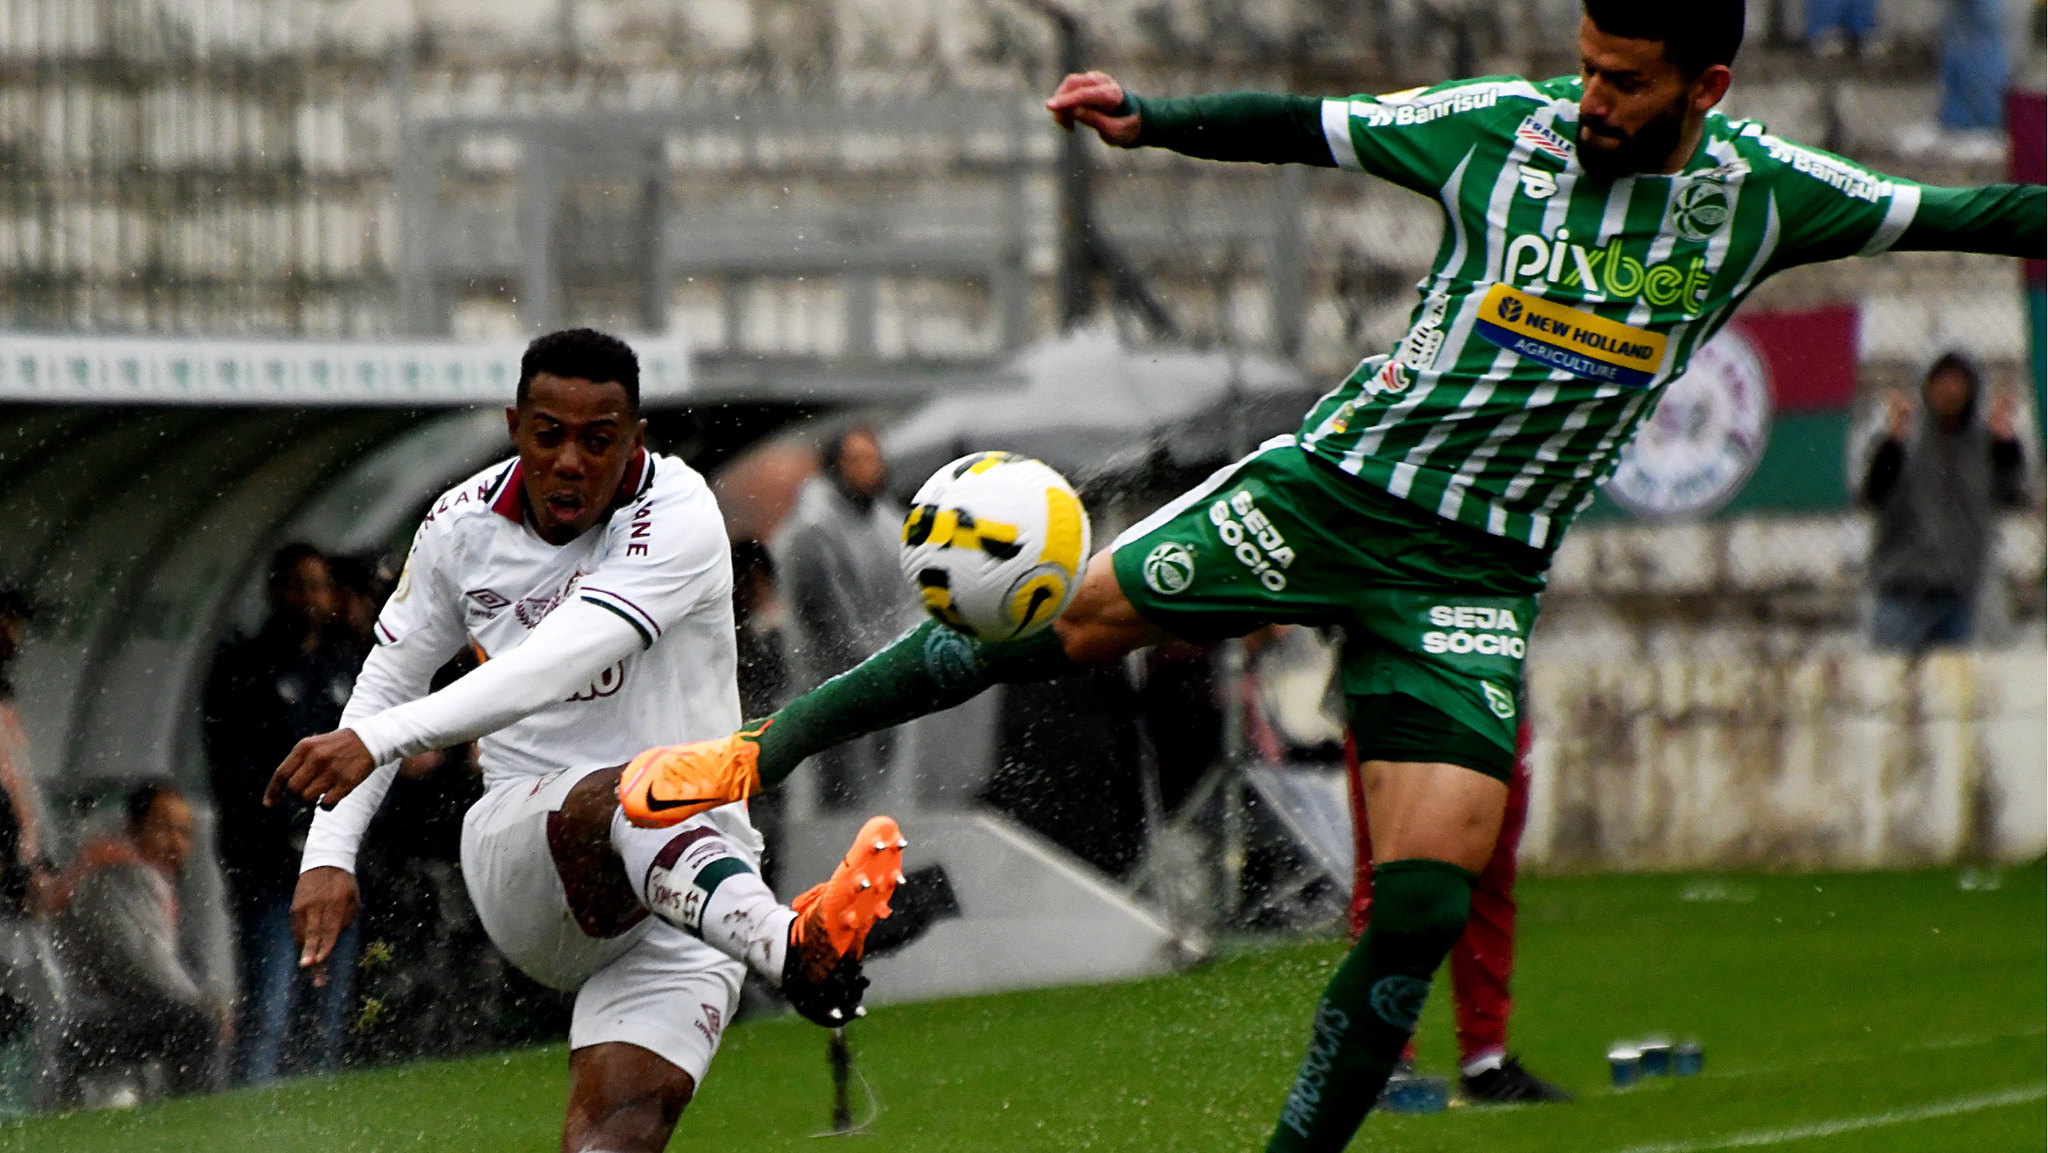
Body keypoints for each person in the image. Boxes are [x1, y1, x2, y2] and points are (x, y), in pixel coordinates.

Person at [609, 5, 2045, 1149]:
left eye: (1626, 82)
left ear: (1707, 86)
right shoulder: (1503, 129)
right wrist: (1151, 118)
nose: (1594, 99)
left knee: (1425, 901)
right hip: (1329, 493)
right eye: (1591, 65)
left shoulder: (1769, 198)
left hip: (1474, 576)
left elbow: (1972, 218)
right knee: (1061, 619)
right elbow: (1314, 126)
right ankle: (753, 748)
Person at [264, 328, 901, 1153]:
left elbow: (564, 652)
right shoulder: (459, 527)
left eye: (598, 440)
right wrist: (329, 850)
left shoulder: (678, 512)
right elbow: (390, 680)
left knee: (617, 1134)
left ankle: (781, 944)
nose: (571, 460)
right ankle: (794, 948)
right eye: (548, 435)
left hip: (696, 888)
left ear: (634, 440)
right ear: (513, 426)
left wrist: (376, 741)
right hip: (531, 855)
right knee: (638, 788)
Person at [201, 543, 362, 1083]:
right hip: (270, 866)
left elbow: (372, 755)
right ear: (275, 591)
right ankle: (250, 1125)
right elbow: (234, 767)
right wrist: (290, 816)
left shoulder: (346, 663)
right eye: (298, 586)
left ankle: (317, 1128)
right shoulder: (244, 666)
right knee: (269, 1006)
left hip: (337, 860)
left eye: (319, 587)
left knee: (327, 1013)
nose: (310, 599)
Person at [1349, 725, 1570, 1105]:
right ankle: (1383, 1056)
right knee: (1390, 873)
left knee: (1489, 874)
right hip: (1394, 700)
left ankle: (1485, 1061)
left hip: (1491, 699)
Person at [49, 782, 227, 1104]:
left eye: (185, 833)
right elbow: (143, 959)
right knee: (195, 1022)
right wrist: (198, 1000)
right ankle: (191, 1114)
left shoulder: (156, 883)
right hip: (82, 1021)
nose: (176, 842)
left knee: (194, 1019)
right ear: (134, 827)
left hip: (108, 1014)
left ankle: (186, 1109)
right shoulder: (118, 877)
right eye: (164, 828)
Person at [771, 424, 919, 809]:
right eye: (856, 459)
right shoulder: (814, 527)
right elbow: (829, 618)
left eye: (872, 458)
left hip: (887, 678)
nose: (867, 467)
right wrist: (880, 661)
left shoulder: (888, 520)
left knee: (882, 791)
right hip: (831, 685)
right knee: (837, 796)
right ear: (835, 466)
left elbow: (910, 597)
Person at [1859, 351, 2029, 652]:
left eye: (1958, 382)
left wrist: (2006, 444)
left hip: (1958, 594)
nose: (1950, 391)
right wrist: (1893, 442)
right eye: (1943, 382)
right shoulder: (1905, 439)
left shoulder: (1982, 444)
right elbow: (1873, 494)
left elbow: (2012, 494)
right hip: (1903, 590)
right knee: (1894, 681)